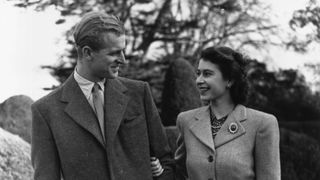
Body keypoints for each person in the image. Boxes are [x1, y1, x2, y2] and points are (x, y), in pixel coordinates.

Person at [31, 11, 174, 180]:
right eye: (114, 53)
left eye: (123, 51)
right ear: (87, 53)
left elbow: (167, 162)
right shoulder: (46, 110)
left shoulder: (139, 93)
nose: (123, 59)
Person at [174, 46, 280, 180]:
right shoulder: (185, 121)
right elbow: (178, 172)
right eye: (198, 73)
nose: (199, 80)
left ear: (229, 80)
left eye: (207, 74)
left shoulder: (262, 124)